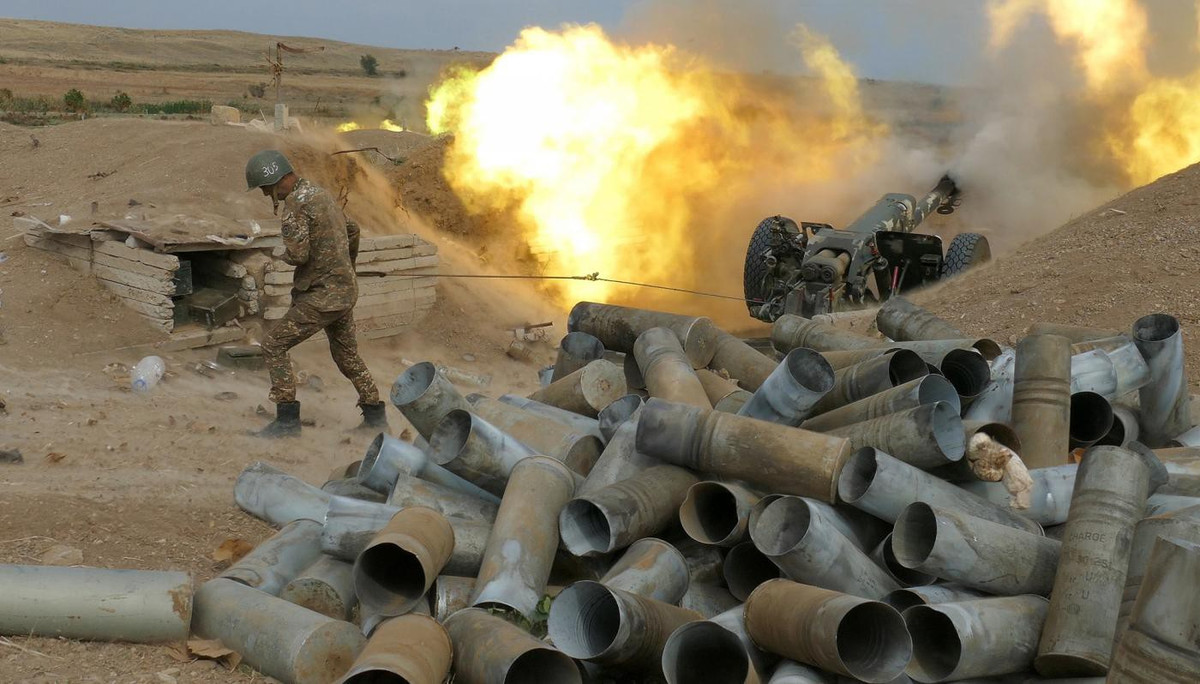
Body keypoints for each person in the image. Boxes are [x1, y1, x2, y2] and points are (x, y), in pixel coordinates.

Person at [244, 149, 388, 437]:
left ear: (273, 181)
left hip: (321, 297)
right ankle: (376, 418)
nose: (265, 194)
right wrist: (347, 266)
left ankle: (287, 421)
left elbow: (299, 255)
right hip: (344, 292)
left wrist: (279, 253)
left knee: (273, 344)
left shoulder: (295, 205)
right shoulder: (320, 194)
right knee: (346, 355)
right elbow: (353, 230)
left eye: (264, 188)